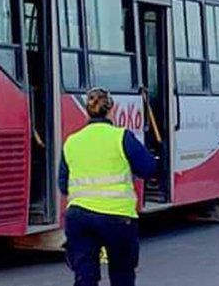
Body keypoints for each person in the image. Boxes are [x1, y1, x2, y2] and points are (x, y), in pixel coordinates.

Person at [59, 88, 157, 286]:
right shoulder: (121, 137)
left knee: (84, 277)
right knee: (122, 275)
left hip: (79, 217)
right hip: (117, 218)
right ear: (111, 109)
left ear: (87, 111)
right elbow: (148, 168)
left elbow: (63, 185)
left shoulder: (72, 141)